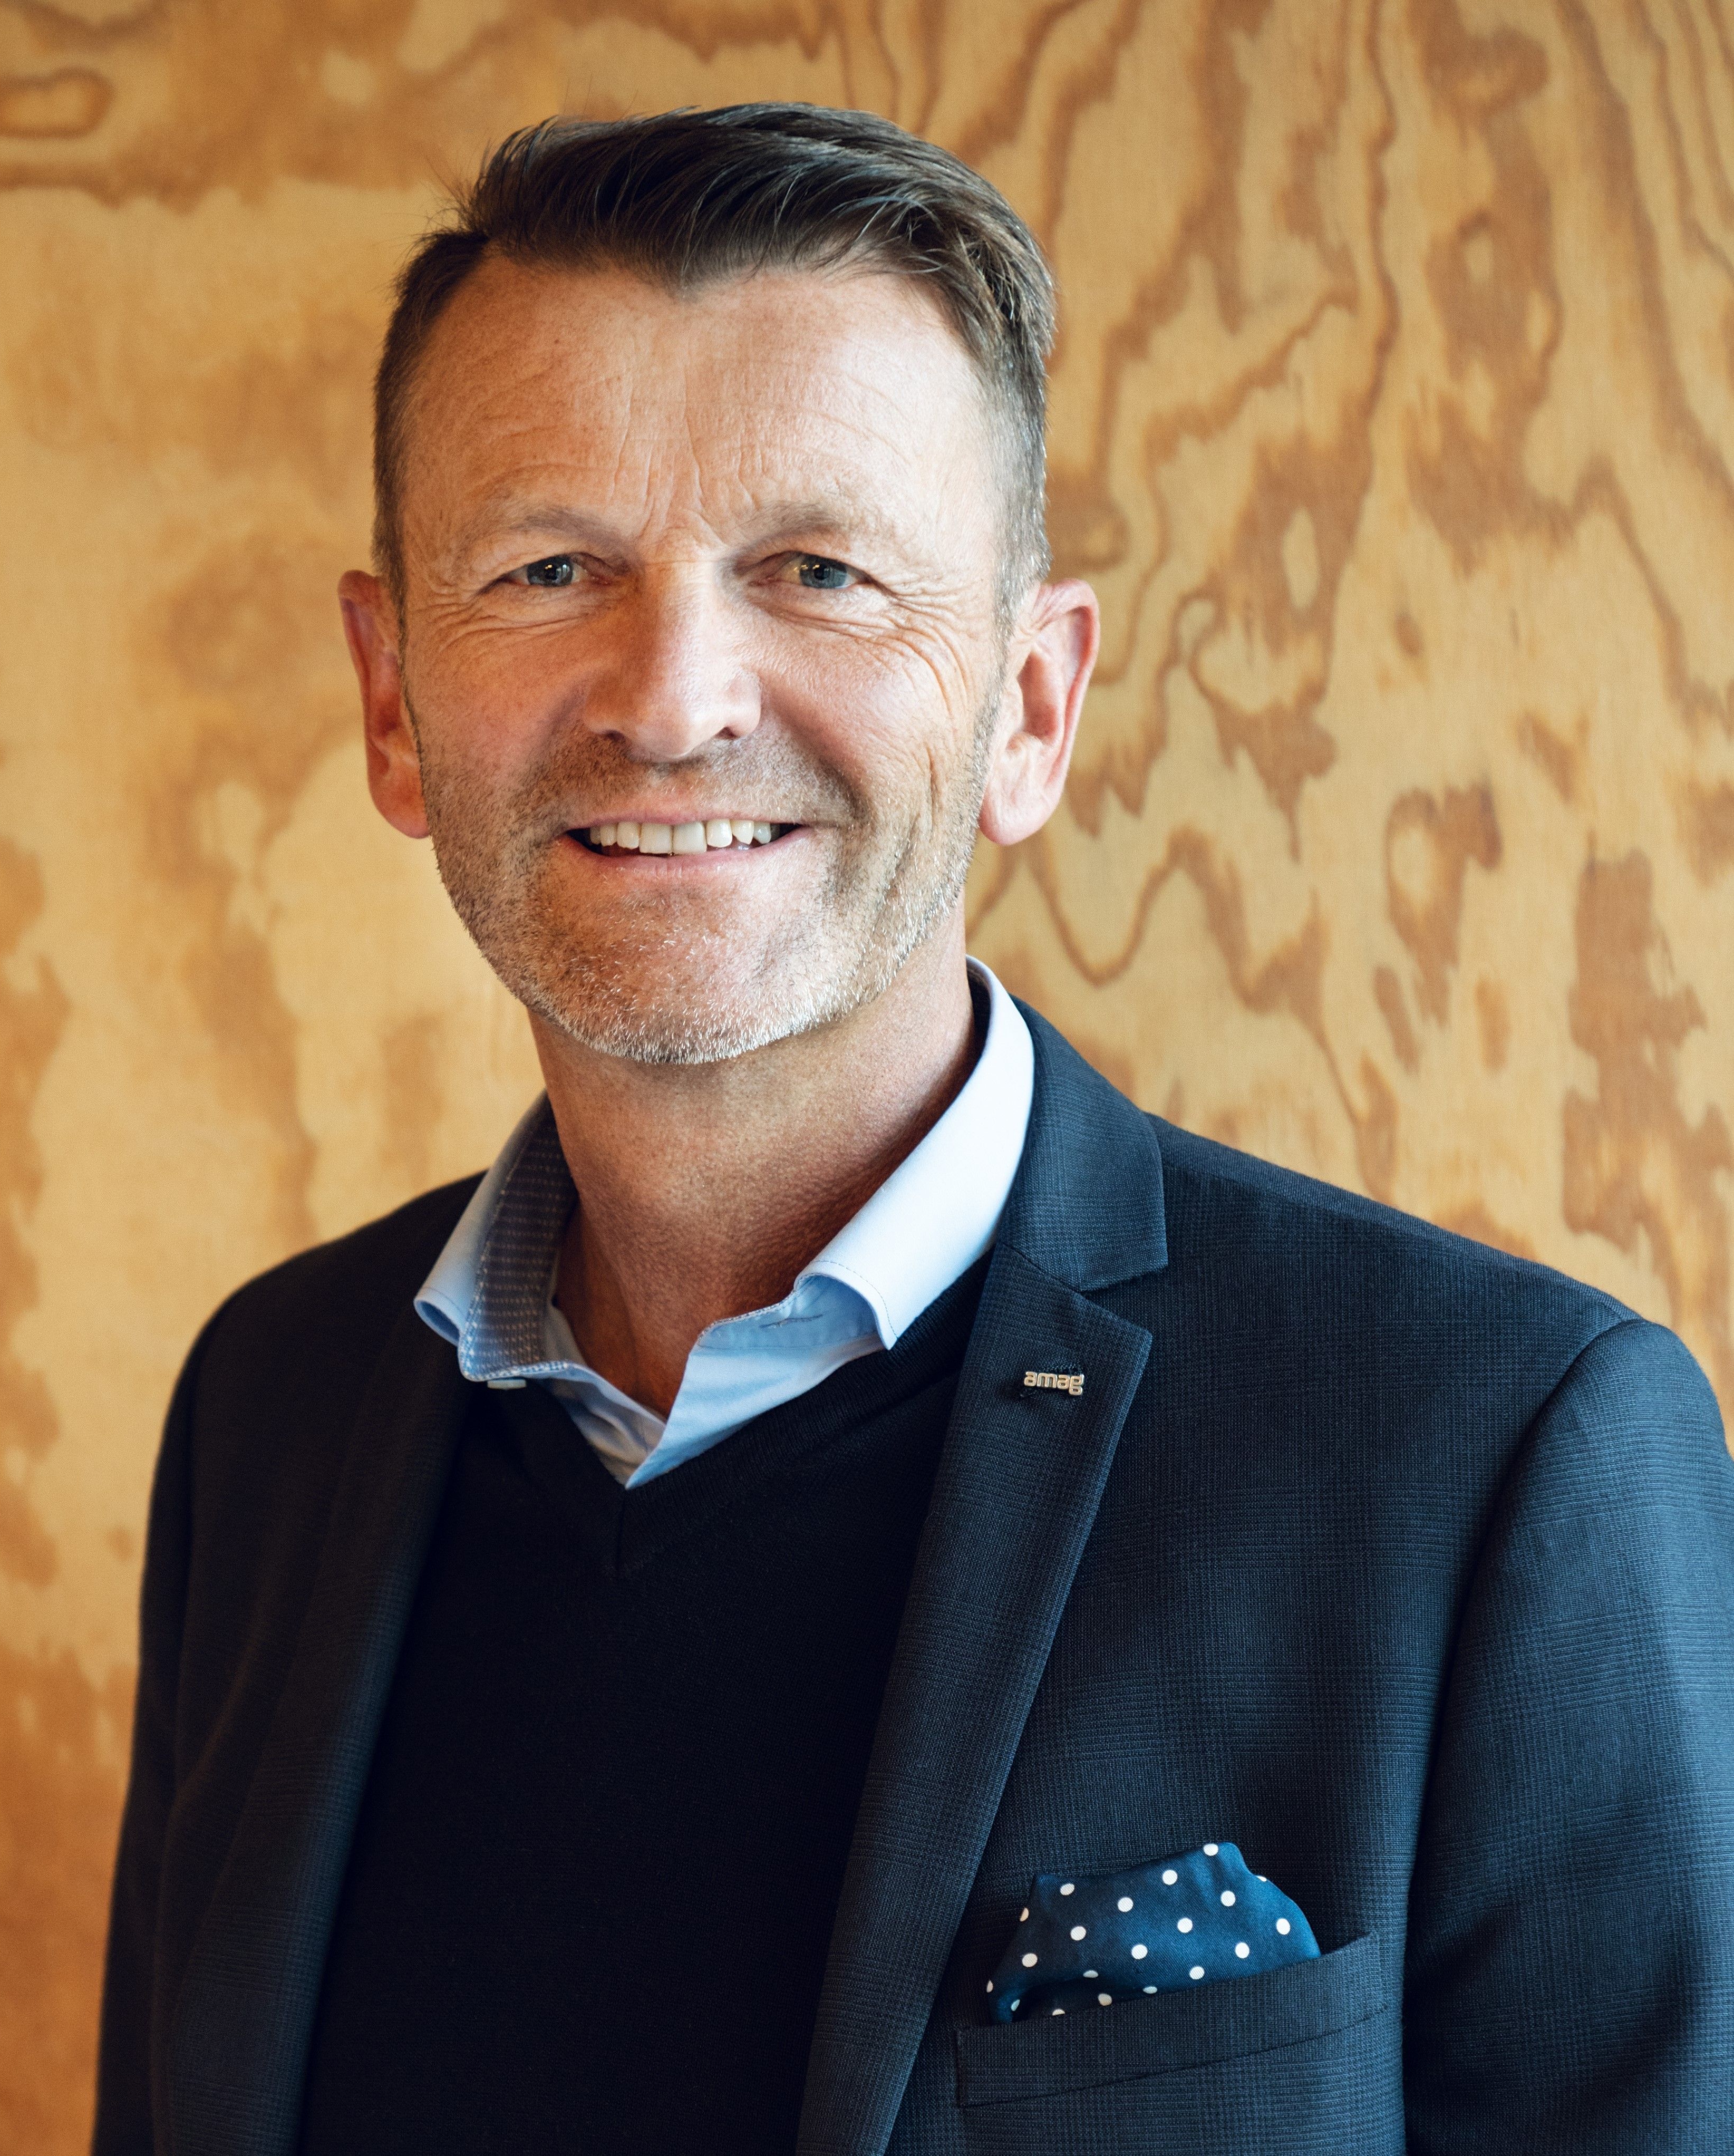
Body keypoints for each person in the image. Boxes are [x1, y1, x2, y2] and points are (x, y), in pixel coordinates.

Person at [92, 105, 1734, 2156]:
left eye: (819, 571)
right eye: (551, 568)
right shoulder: (269, 1409)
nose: (674, 697)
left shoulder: (1497, 1456)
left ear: (1031, 708)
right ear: (393, 701)